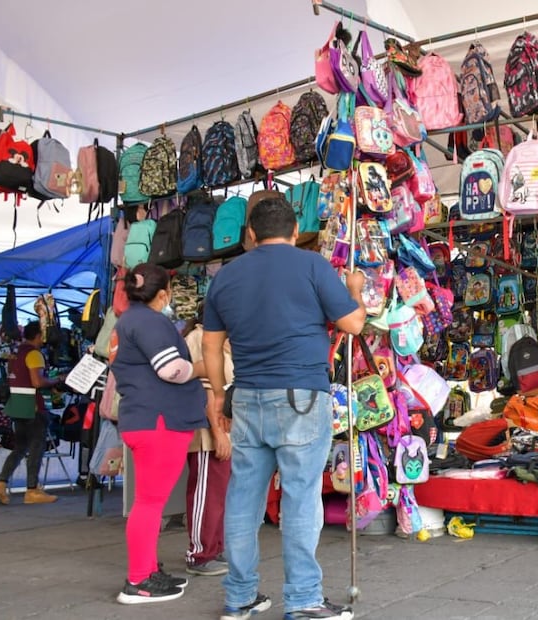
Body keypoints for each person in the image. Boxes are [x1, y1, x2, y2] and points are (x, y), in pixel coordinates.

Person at [203, 196, 365, 620]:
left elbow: (211, 346)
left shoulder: (225, 276)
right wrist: (354, 290)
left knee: (243, 499)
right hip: (301, 396)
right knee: (300, 498)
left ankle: (240, 597)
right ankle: (303, 599)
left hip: (247, 398)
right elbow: (353, 323)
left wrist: (218, 394)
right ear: (295, 232)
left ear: (250, 235)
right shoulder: (312, 265)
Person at [113, 263, 207, 604]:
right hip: (159, 421)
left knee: (149, 502)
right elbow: (170, 369)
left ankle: (148, 570)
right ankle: (139, 580)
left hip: (145, 418)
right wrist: (202, 367)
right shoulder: (150, 322)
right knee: (150, 503)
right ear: (164, 294)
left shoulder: (129, 320)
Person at [181, 306, 233, 577]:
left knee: (218, 494)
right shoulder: (200, 339)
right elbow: (207, 392)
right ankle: (200, 553)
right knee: (206, 493)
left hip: (221, 429)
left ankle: (213, 547)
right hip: (207, 432)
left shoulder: (220, 341)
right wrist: (218, 433)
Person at [0, 321, 63, 505]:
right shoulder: (34, 354)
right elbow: (38, 382)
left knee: (20, 448)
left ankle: (0, 485)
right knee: (37, 448)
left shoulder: (15, 353)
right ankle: (32, 490)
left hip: (17, 406)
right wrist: (57, 380)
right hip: (33, 407)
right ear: (38, 335)